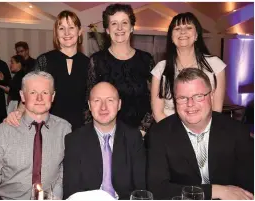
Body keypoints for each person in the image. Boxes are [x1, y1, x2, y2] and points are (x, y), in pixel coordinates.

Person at [146, 68, 254, 200]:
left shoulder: (237, 131)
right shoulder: (159, 133)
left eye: (198, 96)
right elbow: (157, 189)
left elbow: (248, 185)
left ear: (211, 96)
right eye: (182, 98)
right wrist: (215, 191)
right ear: (175, 101)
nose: (190, 104)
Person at [0, 71, 71, 199]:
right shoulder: (3, 132)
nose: (39, 98)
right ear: (22, 96)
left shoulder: (64, 129)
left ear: (52, 96)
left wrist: (55, 196)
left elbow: (65, 169)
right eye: (33, 92)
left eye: (45, 93)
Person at [6, 10, 90, 131]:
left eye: (71, 27)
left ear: (80, 31)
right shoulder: (45, 60)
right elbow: (30, 90)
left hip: (81, 131)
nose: (67, 33)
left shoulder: (89, 63)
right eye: (61, 28)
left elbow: (93, 100)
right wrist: (18, 112)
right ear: (56, 32)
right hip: (49, 130)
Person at [63, 82, 146, 199]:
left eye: (110, 100)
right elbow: (71, 191)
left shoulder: (133, 138)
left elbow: (140, 189)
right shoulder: (74, 140)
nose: (103, 107)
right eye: (97, 100)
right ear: (89, 105)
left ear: (119, 104)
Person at [87, 4, 155, 133]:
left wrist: (142, 131)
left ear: (132, 27)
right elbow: (89, 102)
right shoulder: (97, 61)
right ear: (107, 29)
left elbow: (155, 100)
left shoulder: (146, 60)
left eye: (124, 23)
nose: (119, 28)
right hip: (106, 135)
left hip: (142, 136)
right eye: (114, 24)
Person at [151, 12, 226, 122]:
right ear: (171, 37)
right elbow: (157, 112)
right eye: (177, 28)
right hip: (169, 132)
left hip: (205, 131)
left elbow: (216, 110)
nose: (182, 32)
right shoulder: (161, 68)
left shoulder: (215, 65)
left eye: (188, 27)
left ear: (196, 35)